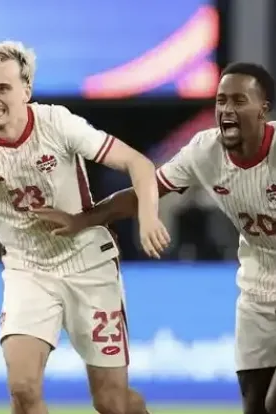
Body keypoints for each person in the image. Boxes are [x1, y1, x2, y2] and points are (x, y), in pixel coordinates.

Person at [0, 41, 169, 414]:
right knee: (22, 389)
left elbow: (138, 163)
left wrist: (149, 216)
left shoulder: (57, 123)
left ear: (26, 90)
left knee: (112, 402)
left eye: (3, 88)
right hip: (28, 272)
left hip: (89, 266)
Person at [30, 62, 276, 414]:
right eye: (221, 100)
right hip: (256, 290)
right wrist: (84, 219)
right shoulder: (205, 152)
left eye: (239, 101)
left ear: (263, 110)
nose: (227, 110)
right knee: (254, 404)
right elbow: (144, 193)